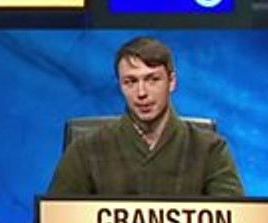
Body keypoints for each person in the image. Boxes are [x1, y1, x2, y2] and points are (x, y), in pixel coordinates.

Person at [47, 36, 244, 196]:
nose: (141, 93)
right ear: (120, 86)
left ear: (171, 82)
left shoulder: (211, 150)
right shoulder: (85, 151)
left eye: (152, 79)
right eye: (130, 82)